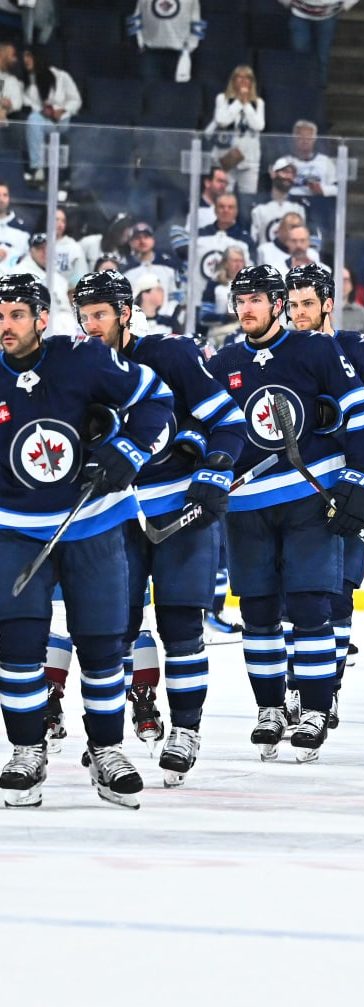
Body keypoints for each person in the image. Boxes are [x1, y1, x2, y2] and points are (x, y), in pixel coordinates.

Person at [0, 274, 173, 808]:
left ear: (41, 319)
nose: (6, 326)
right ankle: (26, 750)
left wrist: (130, 450)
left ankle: (106, 750)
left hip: (93, 520)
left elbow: (156, 397)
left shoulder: (83, 359)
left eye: (16, 315)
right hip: (15, 527)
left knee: (102, 644)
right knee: (16, 645)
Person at [206, 265, 364, 761]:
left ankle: (314, 709)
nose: (246, 308)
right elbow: (203, 429)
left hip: (311, 499)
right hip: (248, 505)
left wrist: (362, 480)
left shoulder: (316, 350)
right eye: (240, 300)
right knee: (258, 612)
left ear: (277, 304)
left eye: (256, 299)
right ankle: (270, 709)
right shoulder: (224, 362)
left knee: (310, 607)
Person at [73, 269, 245, 781]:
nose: (91, 325)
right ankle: (110, 740)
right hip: (114, 515)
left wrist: (215, 470)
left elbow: (228, 420)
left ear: (125, 313)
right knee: (111, 630)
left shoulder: (170, 355)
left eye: (100, 314)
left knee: (181, 626)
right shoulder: (77, 366)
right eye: (84, 316)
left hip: (178, 511)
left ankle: (186, 729)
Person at [284, 263, 364, 708]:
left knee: (337, 592)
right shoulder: (280, 354)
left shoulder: (360, 349)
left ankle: (326, 690)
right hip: (293, 492)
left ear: (328, 304)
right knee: (294, 597)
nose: (299, 313)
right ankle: (296, 684)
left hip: (349, 488)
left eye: (307, 303)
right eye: (292, 305)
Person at [21, 46, 81, 186]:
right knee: (33, 120)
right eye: (24, 57)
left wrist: (62, 110)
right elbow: (30, 104)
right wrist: (44, 111)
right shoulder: (29, 83)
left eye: (29, 56)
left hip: (63, 121)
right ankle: (37, 169)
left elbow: (76, 100)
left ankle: (67, 178)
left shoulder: (61, 76)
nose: (25, 60)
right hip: (45, 121)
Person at [208, 65, 265, 196]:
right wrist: (238, 102)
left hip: (249, 159)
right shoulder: (222, 98)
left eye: (247, 78)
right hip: (227, 157)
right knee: (224, 196)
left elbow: (259, 126)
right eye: (239, 77)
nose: (243, 81)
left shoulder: (258, 102)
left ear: (252, 82)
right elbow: (222, 120)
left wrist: (246, 104)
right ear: (233, 81)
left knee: (248, 197)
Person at [282, 0, 359, 87]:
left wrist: (347, 4)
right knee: (300, 51)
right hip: (300, 13)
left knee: (322, 56)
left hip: (327, 14)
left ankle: (318, 89)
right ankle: (302, 87)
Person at [128, 0, 205, 81]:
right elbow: (135, 18)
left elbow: (197, 22)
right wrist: (140, 43)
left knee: (177, 87)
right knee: (149, 86)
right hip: (151, 51)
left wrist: (189, 48)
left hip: (179, 52)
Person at [195, 192, 251, 283]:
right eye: (221, 207)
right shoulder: (200, 234)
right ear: (215, 210)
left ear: (236, 211)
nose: (226, 210)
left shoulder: (245, 239)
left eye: (230, 207)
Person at [122, 221, 180, 309]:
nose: (142, 241)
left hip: (166, 316)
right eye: (137, 238)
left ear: (153, 240)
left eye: (146, 237)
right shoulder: (126, 271)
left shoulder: (168, 265)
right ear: (131, 242)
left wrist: (169, 314)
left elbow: (174, 297)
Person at [251, 159, 306, 249]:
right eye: (285, 172)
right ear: (273, 174)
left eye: (292, 174)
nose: (288, 176)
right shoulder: (258, 206)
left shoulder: (299, 207)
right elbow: (252, 239)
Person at [284, 120, 338, 197]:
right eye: (301, 137)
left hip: (319, 200)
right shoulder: (285, 161)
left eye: (309, 137)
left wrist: (321, 190)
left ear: (314, 139)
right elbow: (279, 188)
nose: (305, 141)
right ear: (294, 138)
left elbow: (336, 189)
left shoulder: (325, 161)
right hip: (292, 201)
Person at [51, 208, 87, 287]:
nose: (60, 224)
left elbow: (81, 276)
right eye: (56, 220)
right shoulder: (38, 245)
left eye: (63, 221)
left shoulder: (74, 247)